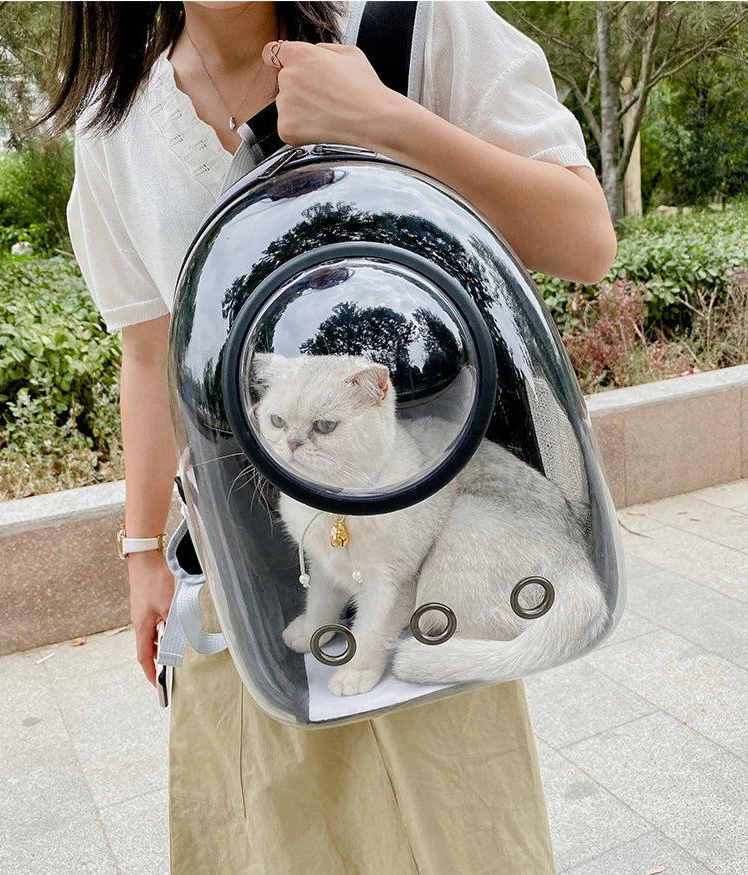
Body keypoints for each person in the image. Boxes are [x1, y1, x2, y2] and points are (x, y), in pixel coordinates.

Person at [52, 2, 616, 871]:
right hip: (248, 578)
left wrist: (385, 120)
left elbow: (583, 237)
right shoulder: (117, 122)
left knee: (458, 842)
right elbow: (150, 352)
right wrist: (141, 553)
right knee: (272, 840)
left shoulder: (408, 22)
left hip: (422, 561)